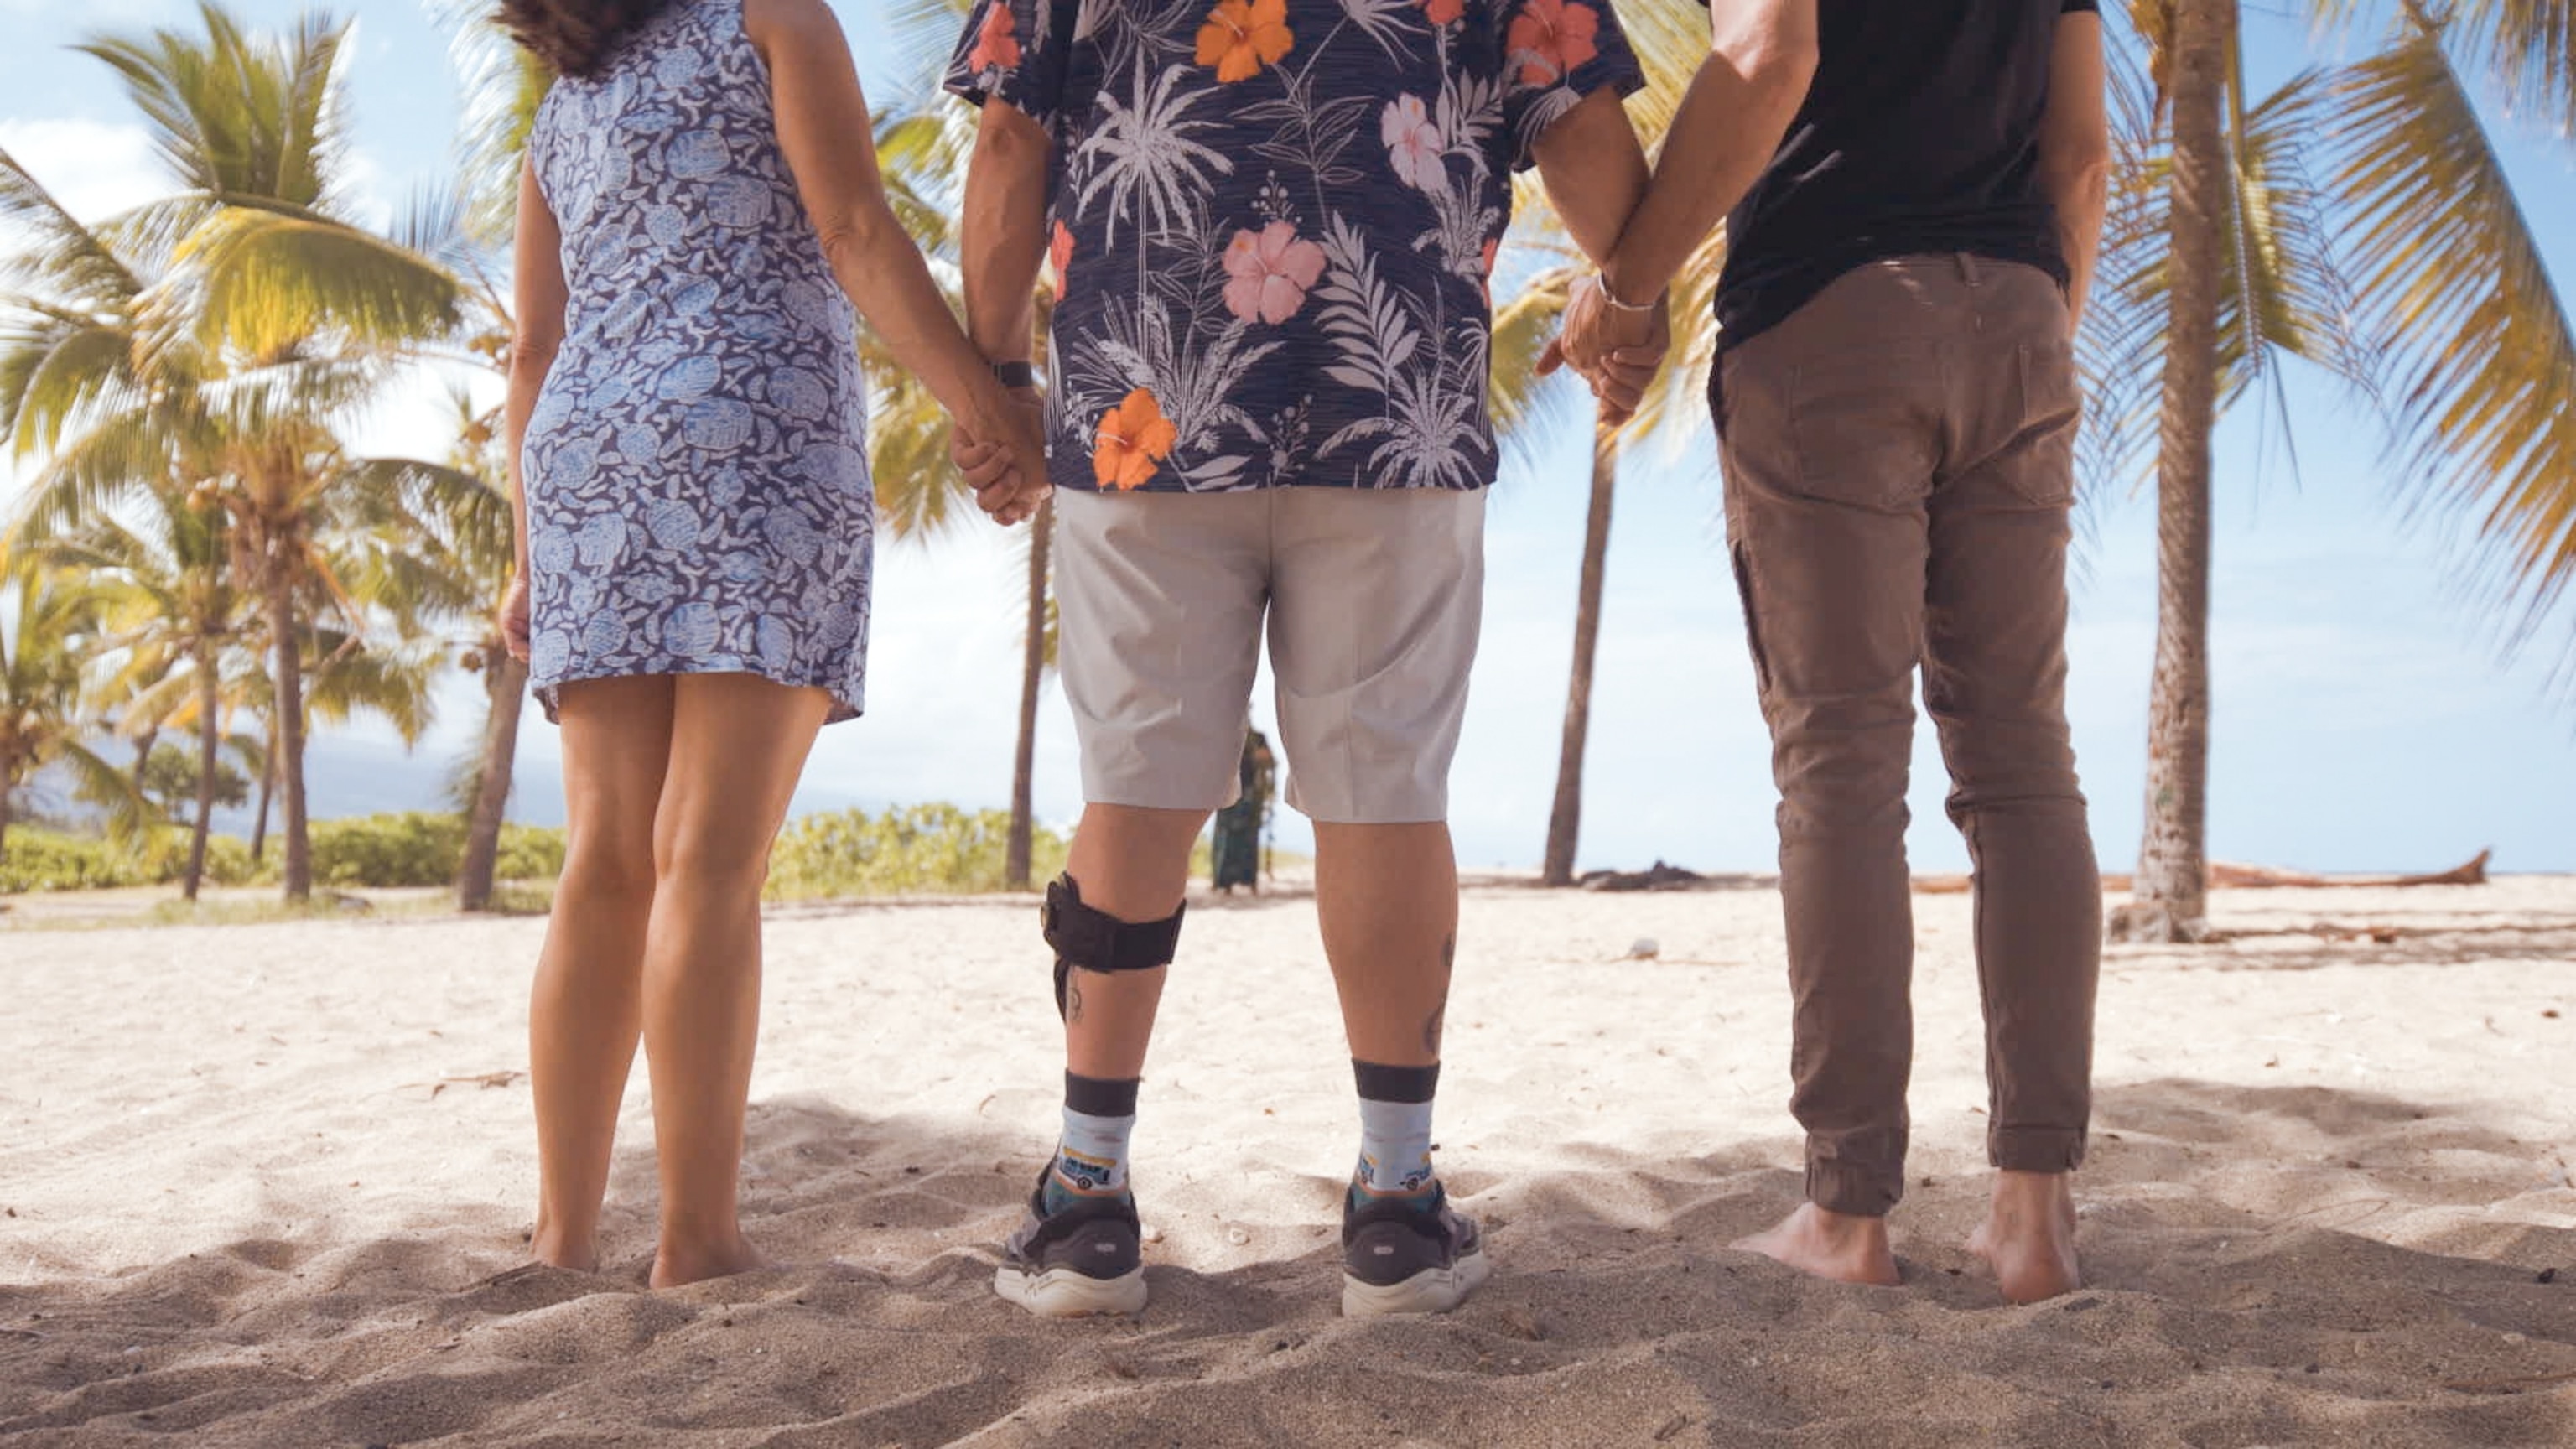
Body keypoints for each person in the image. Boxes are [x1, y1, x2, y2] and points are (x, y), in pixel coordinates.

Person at [943, 0, 1667, 1317]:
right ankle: (1395, 1206)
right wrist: (1631, 294)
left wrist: (995, 373)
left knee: (1140, 788)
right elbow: (1584, 131)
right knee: (1383, 786)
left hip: (1144, 406)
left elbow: (1009, 150)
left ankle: (1087, 1201)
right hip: (1396, 395)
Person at [1554, 0, 2111, 1304]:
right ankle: (2036, 1223)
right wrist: (2032, 327)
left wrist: (1628, 289)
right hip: (2020, 313)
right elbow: (2080, 155)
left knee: (1843, 768)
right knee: (2025, 764)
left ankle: (1847, 1214)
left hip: (1831, 304)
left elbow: (1769, 52)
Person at [496, 0, 1046, 1288]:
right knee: (708, 862)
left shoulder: (558, 116)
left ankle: (563, 1234)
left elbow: (532, 349)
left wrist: (527, 558)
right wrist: (987, 403)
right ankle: (694, 1239)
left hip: (588, 467)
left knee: (605, 866)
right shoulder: (772, 17)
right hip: (751, 437)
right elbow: (853, 229)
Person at [1209, 730, 1275, 895]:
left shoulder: (1258, 738)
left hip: (1250, 795)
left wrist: (1261, 757)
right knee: (1225, 838)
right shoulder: (1225, 733)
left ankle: (1250, 881)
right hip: (1227, 792)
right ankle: (1223, 883)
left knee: (1249, 839)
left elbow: (1270, 762)